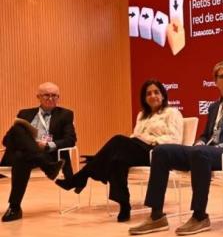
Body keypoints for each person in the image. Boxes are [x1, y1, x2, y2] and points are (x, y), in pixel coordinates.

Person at [128, 61, 223, 236]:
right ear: (216, 81)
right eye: (222, 77)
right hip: (207, 153)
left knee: (200, 152)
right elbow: (206, 135)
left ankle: (200, 216)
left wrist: (218, 146)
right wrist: (200, 141)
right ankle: (156, 215)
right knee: (161, 151)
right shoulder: (214, 107)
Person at [56, 80, 183, 222]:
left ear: (163, 95)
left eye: (156, 92)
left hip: (157, 153)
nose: (153, 96)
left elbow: (175, 139)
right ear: (144, 98)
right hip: (140, 149)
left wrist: (149, 139)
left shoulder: (172, 113)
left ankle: (83, 175)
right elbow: (135, 136)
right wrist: (139, 140)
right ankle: (124, 205)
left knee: (118, 140)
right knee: (117, 160)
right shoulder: (142, 115)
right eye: (148, 94)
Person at [1, 82, 76, 222]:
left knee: (21, 157)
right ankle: (48, 167)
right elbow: (6, 140)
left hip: (48, 153)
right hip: (33, 156)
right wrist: (30, 144)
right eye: (46, 95)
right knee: (18, 133)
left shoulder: (65, 114)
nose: (50, 98)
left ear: (58, 97)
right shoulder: (24, 114)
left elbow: (70, 140)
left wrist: (48, 145)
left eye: (54, 95)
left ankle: (14, 208)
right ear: (38, 97)